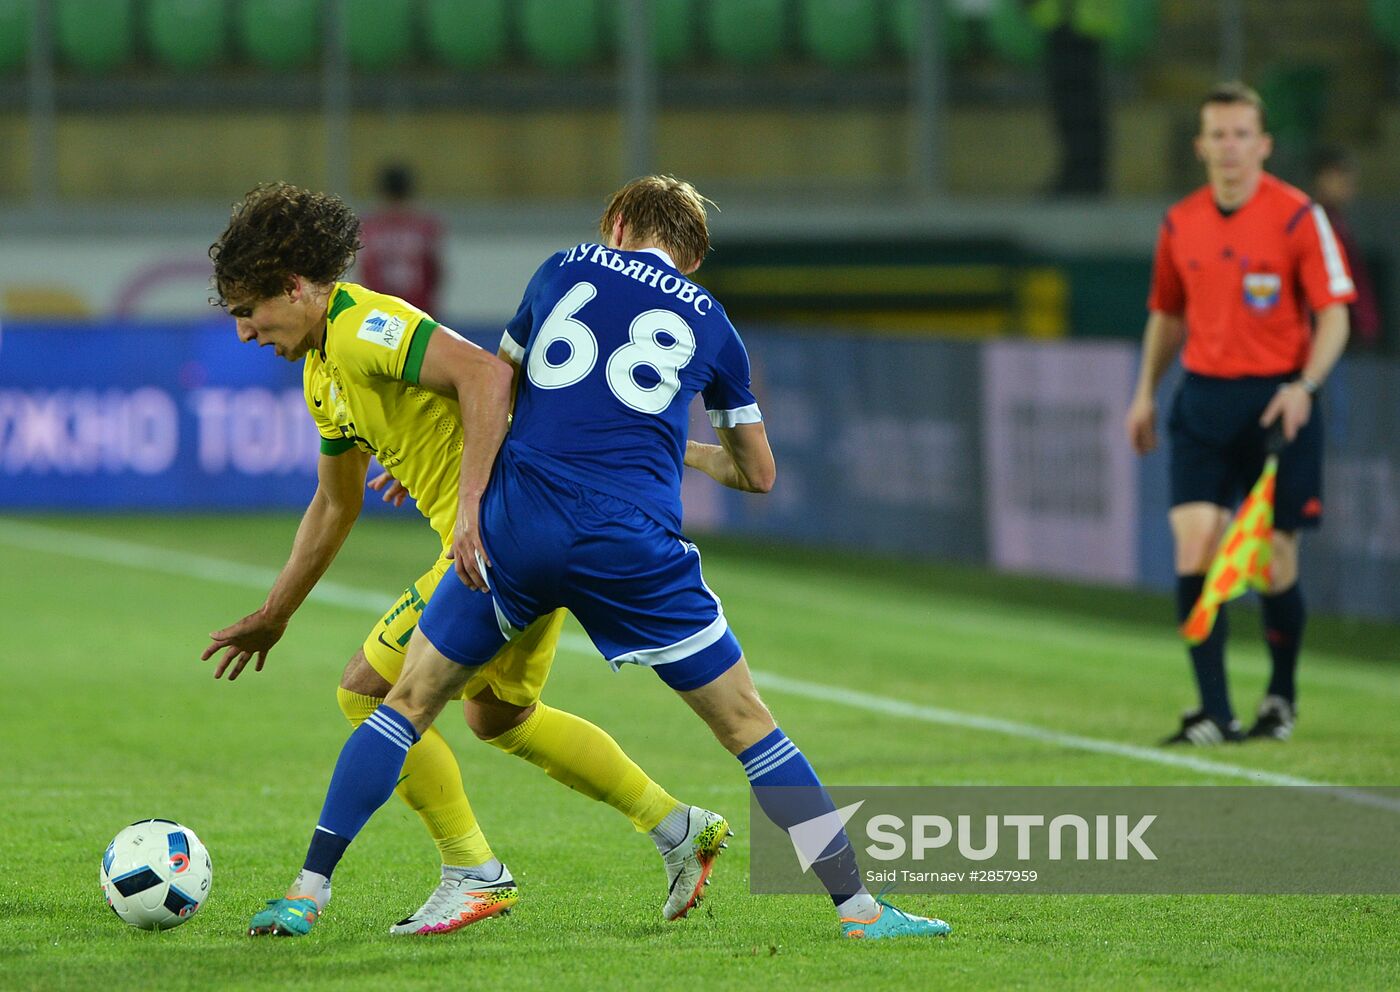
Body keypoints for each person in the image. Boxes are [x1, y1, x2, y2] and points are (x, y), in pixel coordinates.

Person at [247, 175, 952, 941]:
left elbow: (498, 383)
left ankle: (308, 893)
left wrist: (476, 497)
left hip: (521, 527)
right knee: (751, 727)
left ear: (616, 223)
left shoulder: (563, 270)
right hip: (631, 541)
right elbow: (759, 474)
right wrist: (667, 440)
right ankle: (859, 909)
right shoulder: (711, 322)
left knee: (403, 704)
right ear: (690, 258)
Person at [206, 182, 720, 936]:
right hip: (514, 541)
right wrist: (274, 613)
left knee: (368, 691)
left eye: (252, 311)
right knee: (500, 715)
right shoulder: (324, 372)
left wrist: (471, 504)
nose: (247, 332)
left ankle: (465, 871)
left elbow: (486, 374)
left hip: (500, 544)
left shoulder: (361, 327)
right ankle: (679, 828)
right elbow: (334, 504)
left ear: (294, 288)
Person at [1125, 83, 1354, 745]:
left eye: (1240, 135)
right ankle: (1213, 712)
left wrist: (1305, 385)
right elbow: (1167, 315)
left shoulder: (1296, 217)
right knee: (1195, 546)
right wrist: (1145, 391)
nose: (1229, 148)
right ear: (1200, 146)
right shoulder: (1181, 223)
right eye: (1217, 136)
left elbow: (1334, 315)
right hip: (1204, 399)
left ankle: (1279, 699)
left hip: (1280, 405)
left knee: (1275, 561)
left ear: (1264, 144)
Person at [1311, 148, 1382, 352]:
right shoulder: (1315, 222)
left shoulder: (1338, 222)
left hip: (1351, 332)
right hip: (1332, 329)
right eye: (1341, 179)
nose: (1348, 187)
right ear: (1322, 178)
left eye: (1350, 181)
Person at [358, 164, 444, 316]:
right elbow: (434, 270)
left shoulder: (371, 226)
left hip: (380, 311)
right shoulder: (424, 225)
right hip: (418, 310)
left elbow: (367, 270)